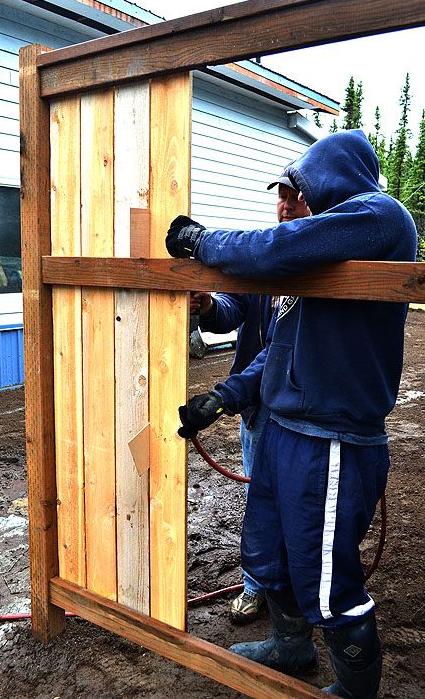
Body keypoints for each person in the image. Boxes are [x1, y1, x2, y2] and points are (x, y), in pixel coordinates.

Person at [166, 129, 417, 699]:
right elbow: (277, 355)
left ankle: (356, 690)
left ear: (327, 179)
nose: (288, 203)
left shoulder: (383, 218)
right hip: (284, 432)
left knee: (324, 574)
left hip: (331, 440)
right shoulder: (311, 273)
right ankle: (292, 647)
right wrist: (223, 397)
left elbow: (277, 247)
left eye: (297, 187)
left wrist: (202, 240)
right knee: (268, 549)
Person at [191, 170, 310, 624]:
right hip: (255, 407)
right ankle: (257, 586)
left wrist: (226, 394)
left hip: (293, 405)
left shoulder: (313, 269)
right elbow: (231, 311)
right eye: (280, 198)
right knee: (261, 497)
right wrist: (206, 305)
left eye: (294, 198)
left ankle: (292, 591)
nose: (284, 206)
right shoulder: (262, 264)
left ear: (312, 205)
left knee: (292, 500)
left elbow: (281, 351)